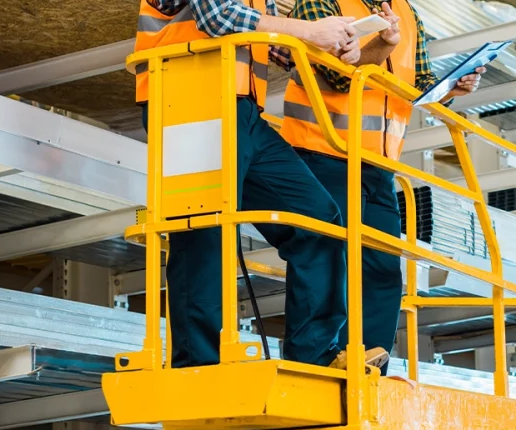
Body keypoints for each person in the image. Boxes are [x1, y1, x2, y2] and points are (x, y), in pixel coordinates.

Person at [134, 0, 388, 370]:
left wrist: (306, 46)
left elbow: (255, 35)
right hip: (188, 100)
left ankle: (315, 354)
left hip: (243, 112)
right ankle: (200, 365)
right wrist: (307, 30)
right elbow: (216, 16)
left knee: (318, 220)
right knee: (204, 233)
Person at [279, 0, 485, 373]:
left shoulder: (407, 12)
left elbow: (419, 86)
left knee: (383, 271)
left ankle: (368, 369)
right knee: (329, 260)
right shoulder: (321, 3)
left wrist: (454, 86)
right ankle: (320, 362)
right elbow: (335, 75)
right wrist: (384, 44)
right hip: (323, 152)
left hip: (378, 165)